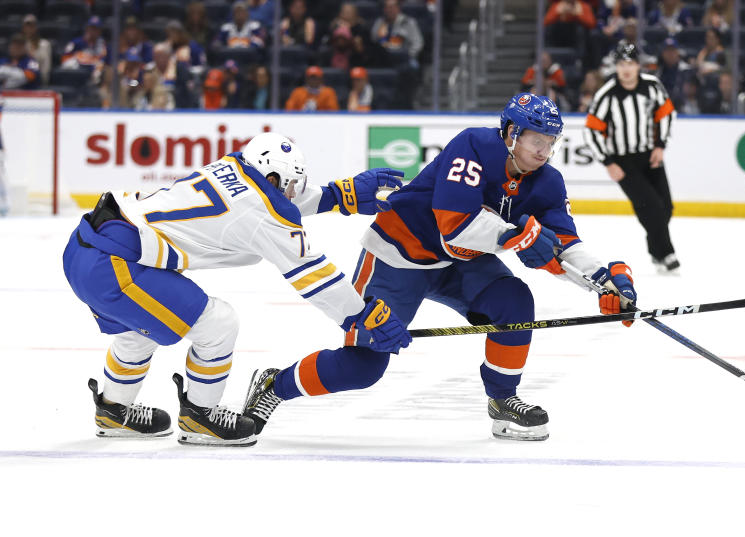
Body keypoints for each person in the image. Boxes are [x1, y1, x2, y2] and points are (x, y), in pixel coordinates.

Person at [243, 94, 638, 442]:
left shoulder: (547, 183)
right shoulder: (473, 146)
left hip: (460, 265)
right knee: (364, 366)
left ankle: (502, 400)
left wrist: (604, 282)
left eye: (551, 142)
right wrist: (517, 236)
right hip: (398, 255)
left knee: (514, 301)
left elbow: (565, 243)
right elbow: (455, 227)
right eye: (537, 139)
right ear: (511, 133)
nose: (543, 151)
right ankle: (274, 386)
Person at [61, 132, 409, 445]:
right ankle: (199, 417)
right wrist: (359, 316)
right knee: (218, 323)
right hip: (114, 265)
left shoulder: (234, 165)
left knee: (139, 333)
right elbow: (313, 273)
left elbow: (262, 204)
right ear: (271, 176)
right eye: (288, 185)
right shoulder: (261, 211)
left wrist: (335, 196)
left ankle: (113, 411)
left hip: (86, 248)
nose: (291, 194)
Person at [586, 43, 680, 273]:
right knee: (652, 207)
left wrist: (660, 146)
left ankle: (655, 250)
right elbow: (591, 130)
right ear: (615, 67)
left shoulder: (652, 86)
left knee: (665, 207)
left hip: (650, 155)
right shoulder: (606, 94)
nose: (626, 69)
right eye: (621, 64)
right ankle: (666, 254)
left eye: (630, 63)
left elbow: (666, 114)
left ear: (638, 65)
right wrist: (608, 162)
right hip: (623, 161)